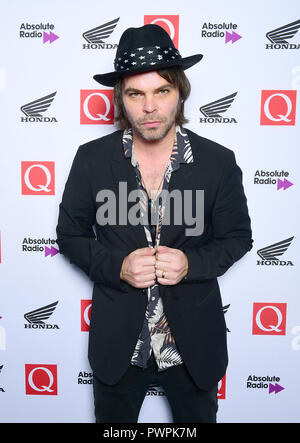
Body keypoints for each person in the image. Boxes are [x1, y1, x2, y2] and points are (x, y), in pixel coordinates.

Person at [56, 24, 252, 423]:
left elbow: (238, 238)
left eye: (161, 91)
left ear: (180, 92)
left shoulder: (217, 162)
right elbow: (70, 235)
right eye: (136, 94)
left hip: (193, 345)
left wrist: (192, 265)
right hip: (119, 346)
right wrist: (118, 267)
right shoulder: (92, 159)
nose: (149, 107)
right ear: (121, 99)